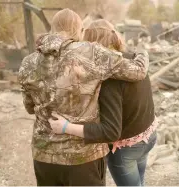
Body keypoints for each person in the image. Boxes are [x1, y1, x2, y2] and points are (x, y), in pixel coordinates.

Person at [18, 9, 149, 186]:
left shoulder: (28, 62)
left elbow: (28, 106)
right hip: (84, 158)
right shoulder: (91, 53)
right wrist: (142, 55)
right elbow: (138, 71)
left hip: (44, 155)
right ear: (79, 30)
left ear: (52, 29)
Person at [48, 19, 157, 186]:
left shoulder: (108, 79)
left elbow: (110, 131)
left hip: (126, 148)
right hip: (149, 136)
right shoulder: (133, 60)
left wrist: (65, 127)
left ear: (90, 45)